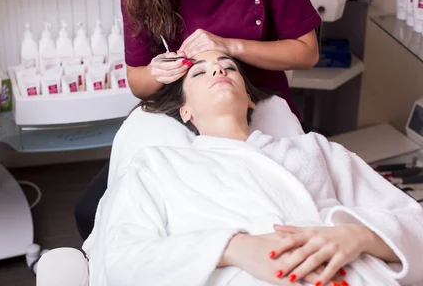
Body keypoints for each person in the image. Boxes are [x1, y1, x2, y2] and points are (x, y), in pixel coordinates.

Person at [75, 0, 321, 240]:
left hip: (257, 103)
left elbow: (306, 52)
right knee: (93, 212)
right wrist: (156, 73)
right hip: (178, 110)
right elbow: (137, 82)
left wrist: (232, 46)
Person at [81, 50, 423, 286]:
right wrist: (231, 248)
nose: (218, 70)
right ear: (186, 112)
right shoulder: (158, 165)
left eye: (229, 68)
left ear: (250, 99)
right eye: (199, 72)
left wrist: (358, 235)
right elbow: (123, 257)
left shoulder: (312, 148)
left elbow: (412, 220)